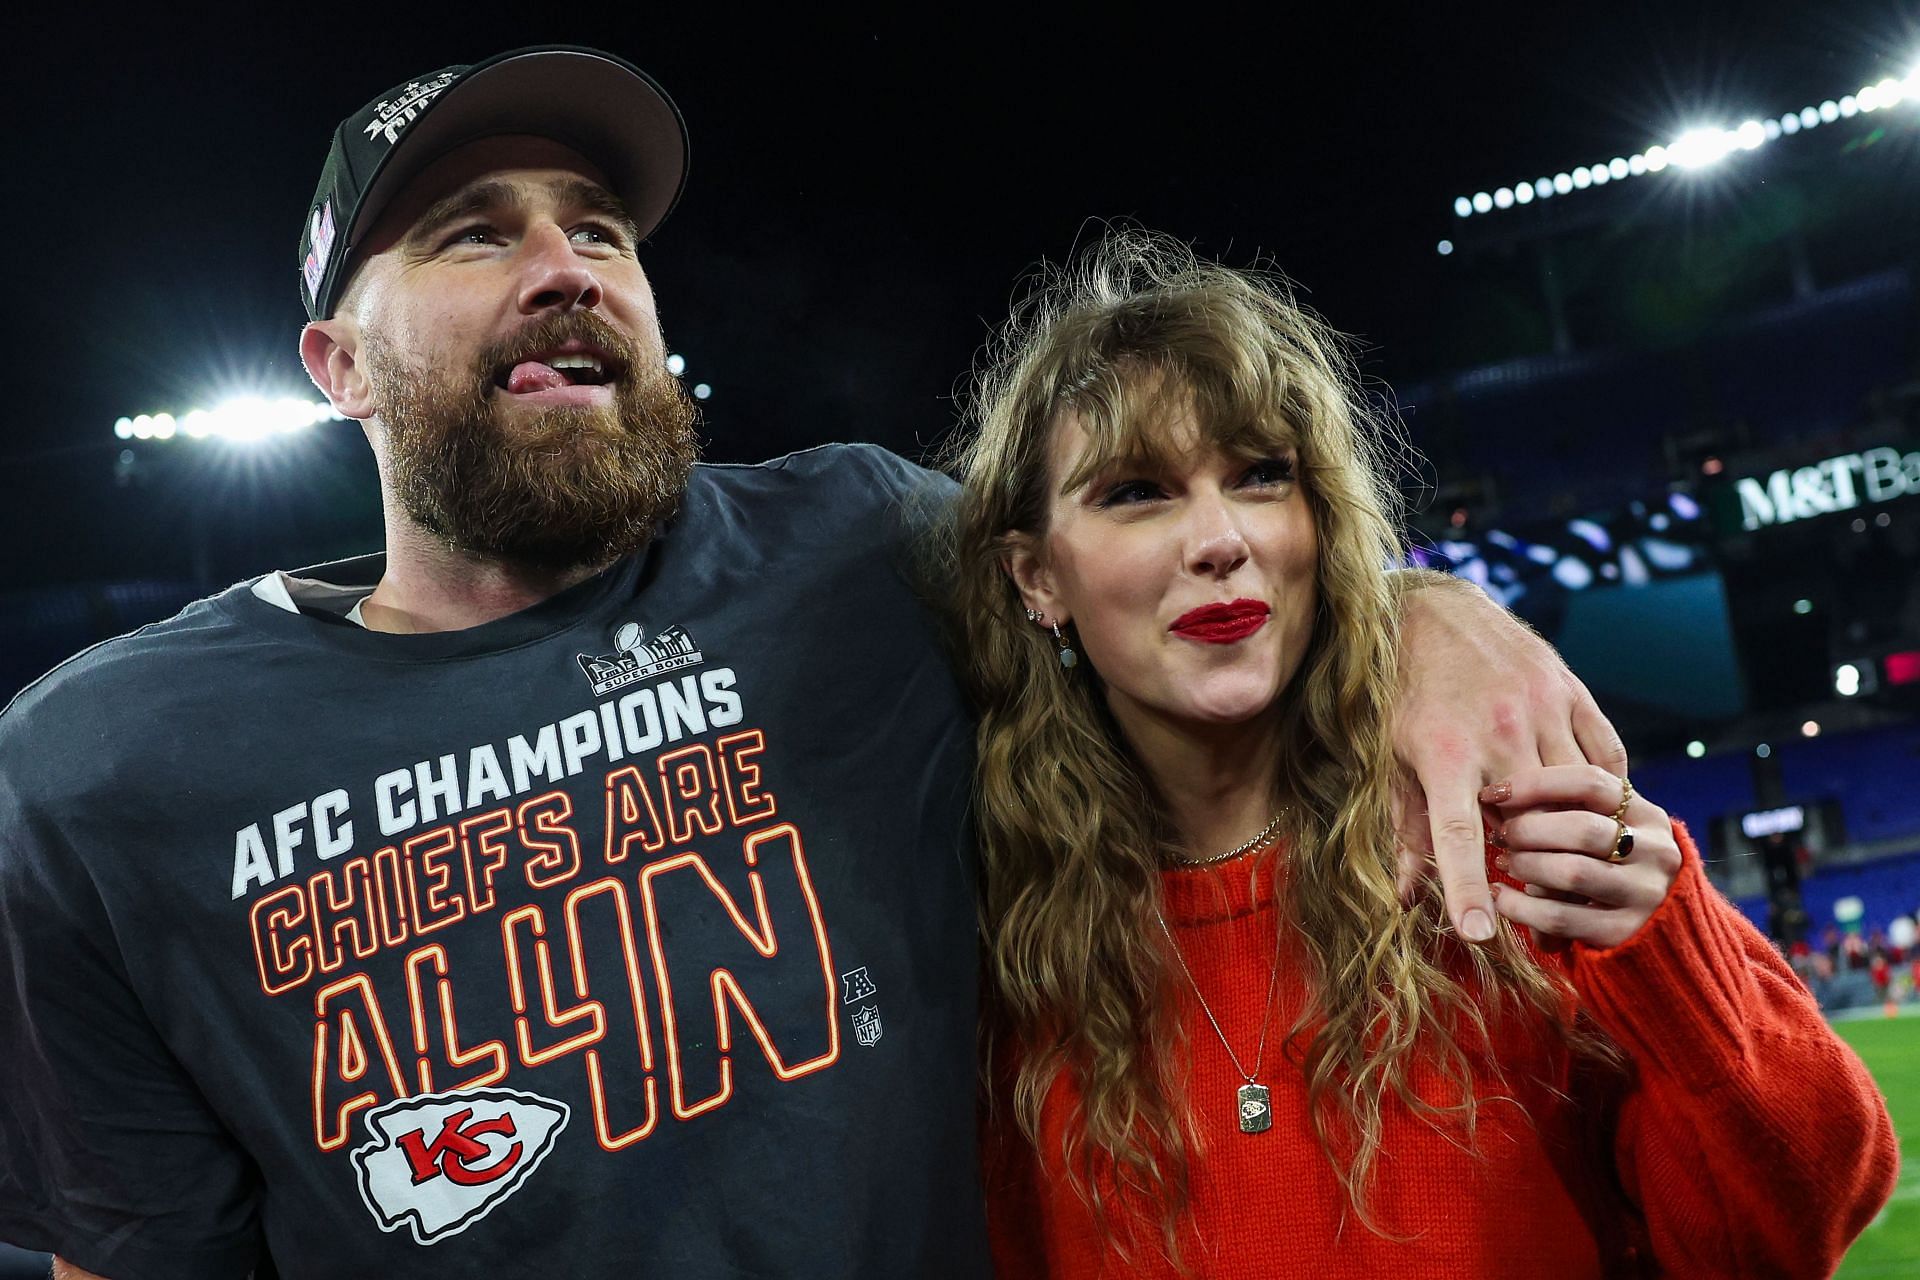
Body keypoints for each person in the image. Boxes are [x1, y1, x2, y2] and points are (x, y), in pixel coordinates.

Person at [1, 47, 1625, 1280]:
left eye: (602, 231)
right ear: (334, 364)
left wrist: (1420, 614)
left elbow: (1168, 567)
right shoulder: (103, 774)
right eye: (471, 235)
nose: (567, 263)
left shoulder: (860, 546)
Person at [954, 231, 1899, 1277]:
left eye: (1262, 474)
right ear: (1036, 577)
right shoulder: (990, 951)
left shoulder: (1497, 840)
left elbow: (1784, 1232)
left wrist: (1670, 958)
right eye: (1137, 490)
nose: (1220, 538)